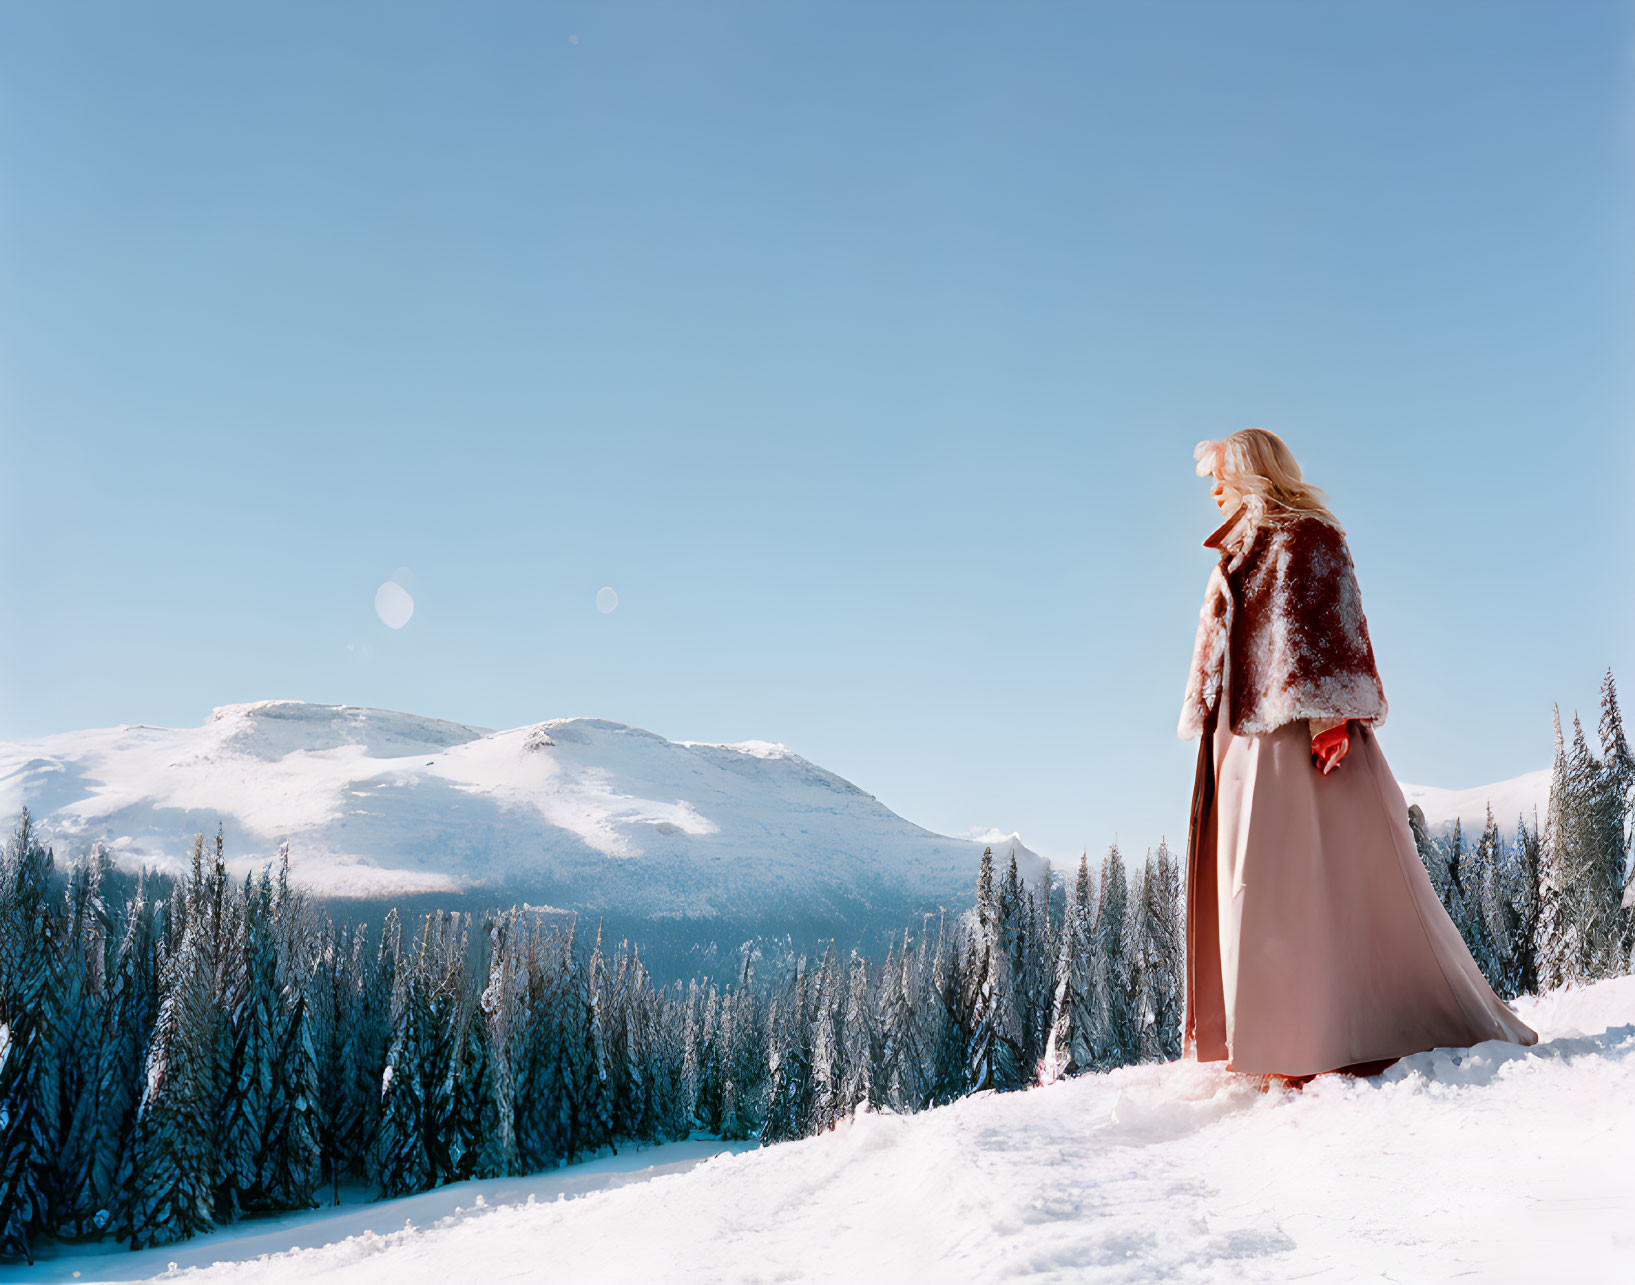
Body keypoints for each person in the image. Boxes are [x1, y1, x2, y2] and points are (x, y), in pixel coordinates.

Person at [1179, 428, 1538, 1087]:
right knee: (1250, 883)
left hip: (1297, 732)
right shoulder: (1237, 545)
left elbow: (1331, 625)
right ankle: (1268, 1037)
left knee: (1299, 884)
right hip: (1238, 738)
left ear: (1252, 470)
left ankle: (1318, 1036)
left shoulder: (1308, 533)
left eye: (1220, 472)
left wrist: (1329, 715)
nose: (1213, 487)